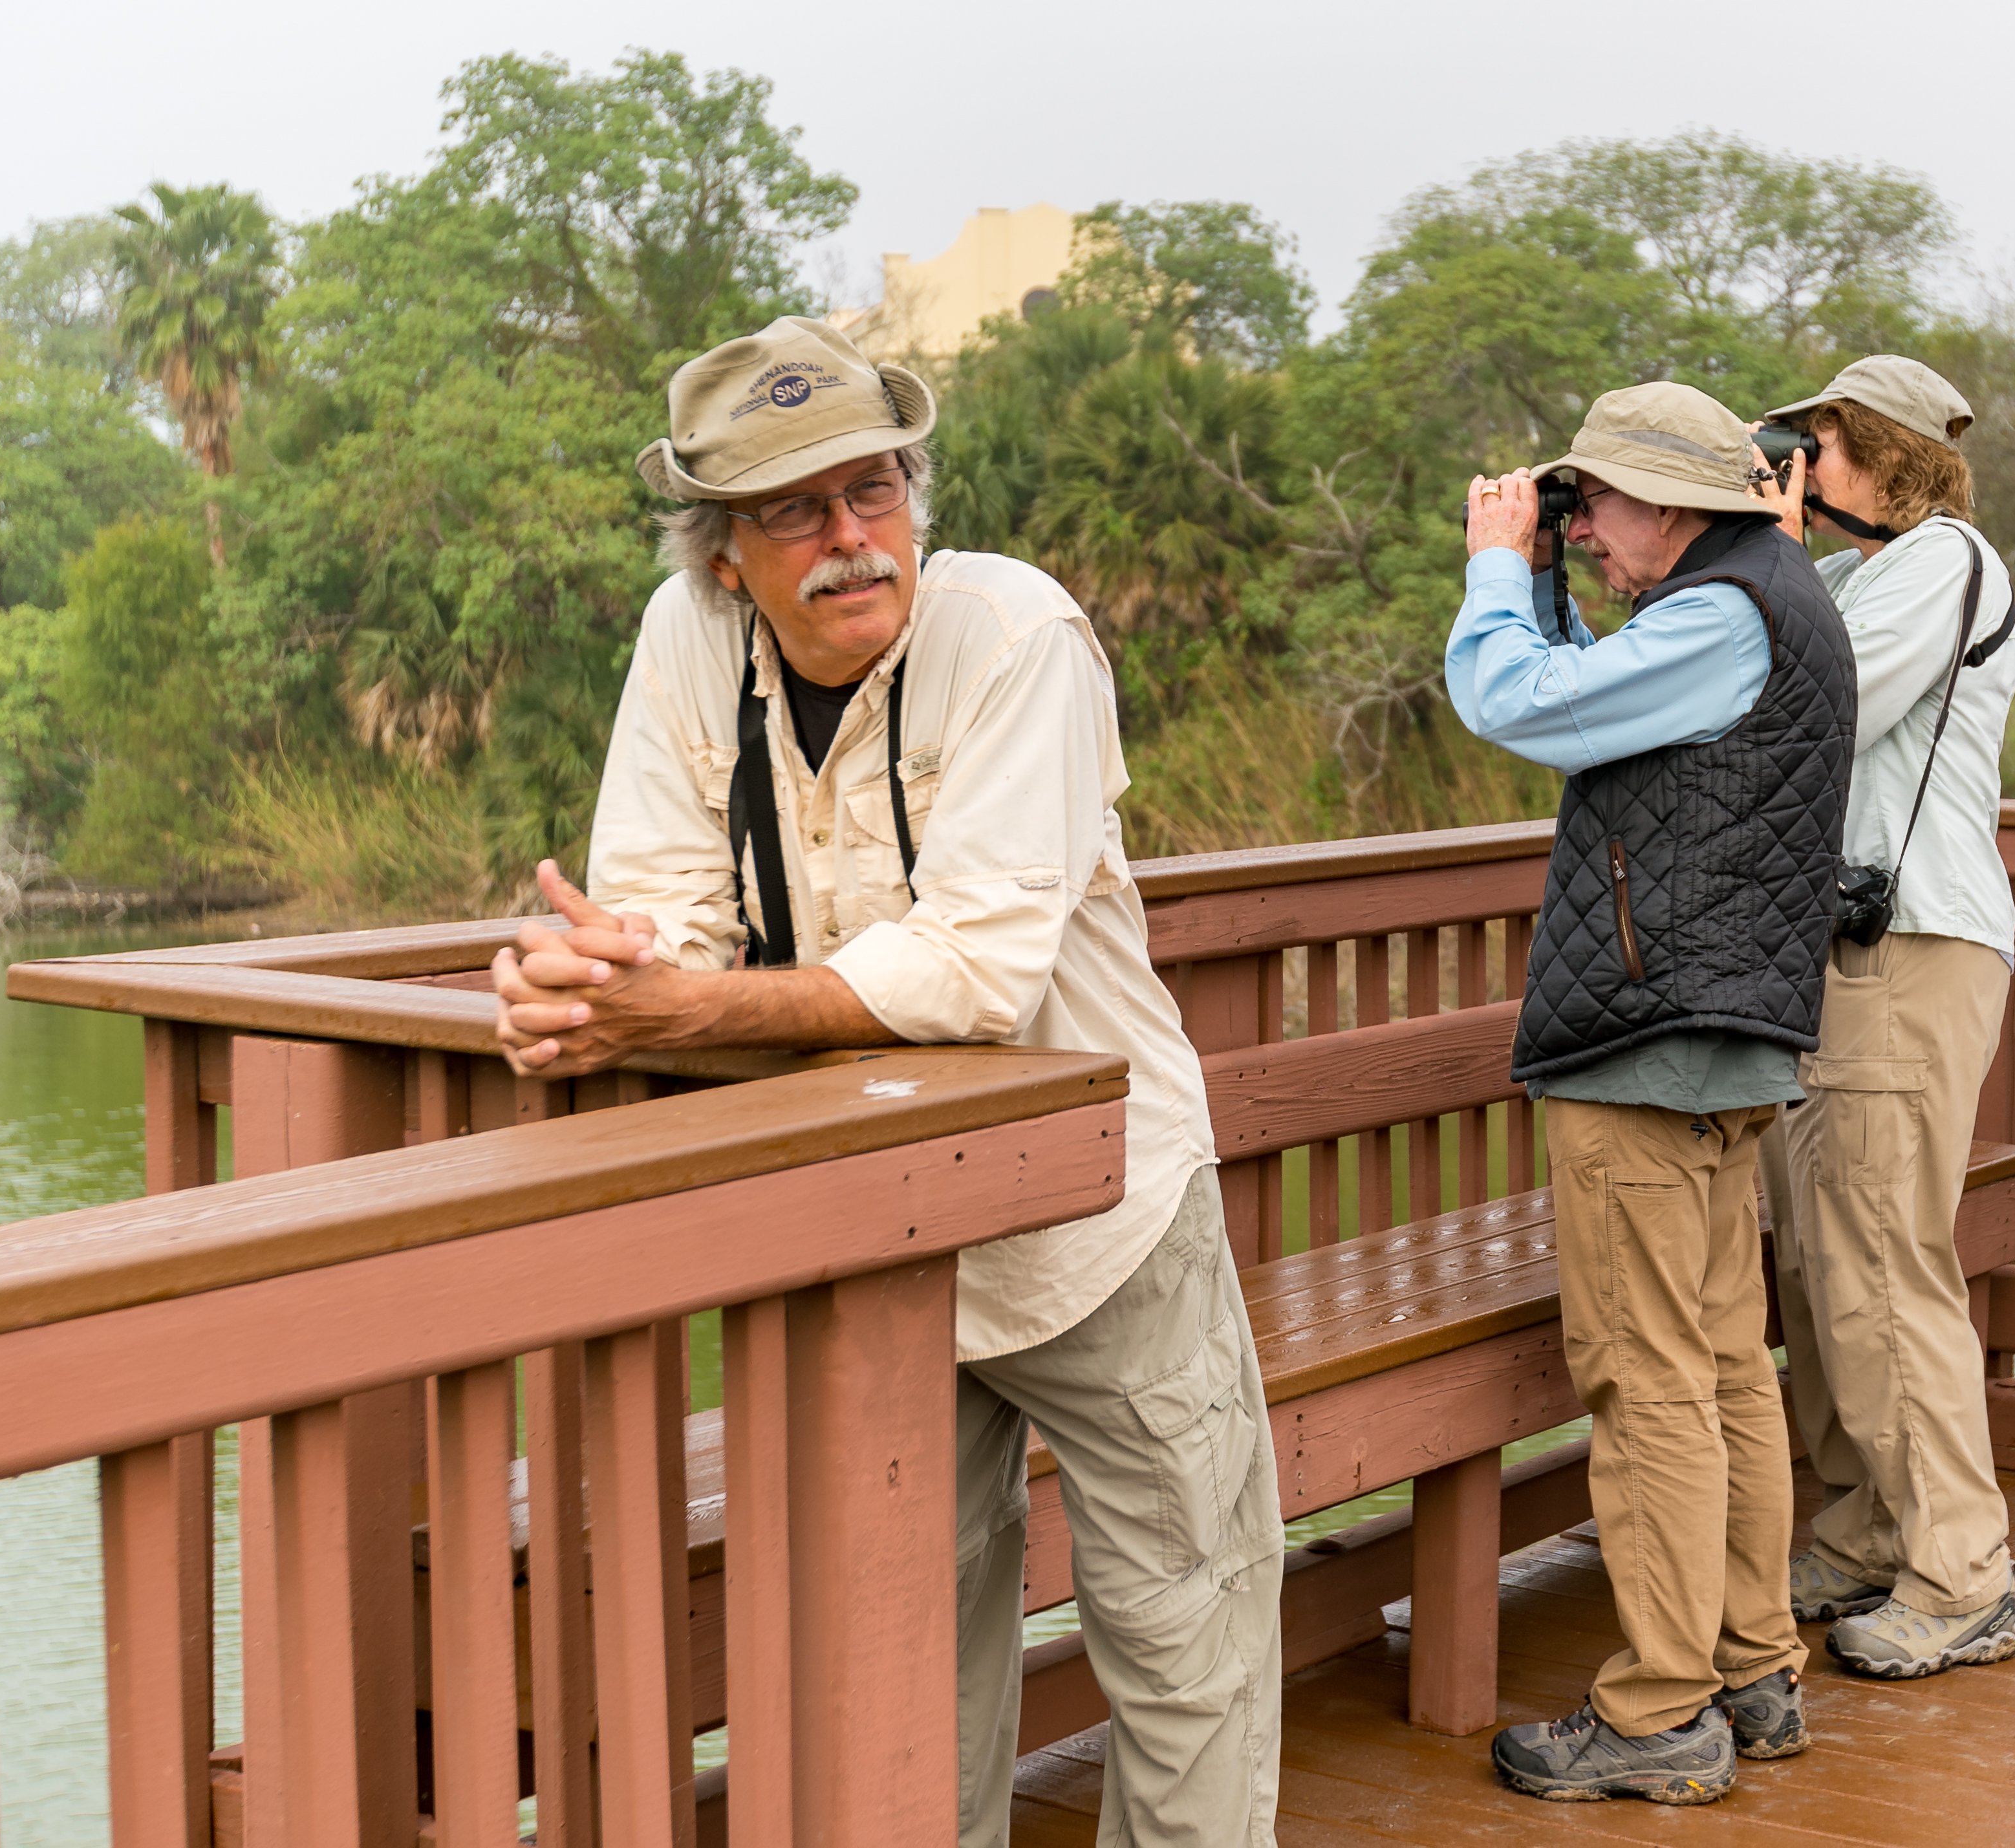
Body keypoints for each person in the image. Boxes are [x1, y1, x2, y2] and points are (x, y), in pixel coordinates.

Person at [488, 317, 1283, 1845]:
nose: (853, 540)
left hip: (1099, 1220)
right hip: (874, 1235)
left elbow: (978, 971)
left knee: (1186, 1632)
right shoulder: (686, 642)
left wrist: (675, 1007)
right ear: (723, 551)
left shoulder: (1015, 637)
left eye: (876, 490)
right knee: (911, 1649)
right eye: (796, 509)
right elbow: (664, 909)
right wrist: (586, 976)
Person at [1444, 383, 1856, 1805]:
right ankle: (1749, 1668)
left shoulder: (1722, 615)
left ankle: (1660, 1709)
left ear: (1676, 504)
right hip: (1719, 1032)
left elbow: (1514, 702)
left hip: (1651, 1041)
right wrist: (1553, 577)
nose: (1592, 533)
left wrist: (1500, 569)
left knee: (1650, 1378)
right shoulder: (1763, 597)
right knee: (1727, 1363)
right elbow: (1599, 723)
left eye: (1598, 505)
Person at [1749, 357, 2015, 1677]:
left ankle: (1961, 1571)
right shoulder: (1862, 573)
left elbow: (1813, 706)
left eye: (1816, 442)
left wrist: (1772, 548)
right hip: (1838, 959)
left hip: (1906, 948)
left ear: (1879, 451)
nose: (1798, 461)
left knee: (1879, 1258)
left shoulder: (1940, 560)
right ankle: (1861, 1530)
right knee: (1816, 1260)